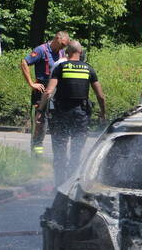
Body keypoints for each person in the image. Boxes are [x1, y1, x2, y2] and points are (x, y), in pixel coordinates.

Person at [39, 41, 106, 185]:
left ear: (67, 53)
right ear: (80, 53)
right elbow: (100, 96)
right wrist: (103, 113)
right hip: (80, 115)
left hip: (60, 114)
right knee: (76, 152)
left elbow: (49, 91)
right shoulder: (89, 69)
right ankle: (71, 183)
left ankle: (58, 185)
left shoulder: (60, 67)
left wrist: (40, 110)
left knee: (60, 151)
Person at [21, 31, 69, 154]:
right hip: (41, 91)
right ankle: (36, 156)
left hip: (55, 93)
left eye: (65, 46)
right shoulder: (41, 50)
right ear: (57, 39)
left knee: (55, 122)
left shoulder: (62, 52)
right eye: (62, 44)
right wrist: (31, 83)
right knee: (39, 123)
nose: (64, 48)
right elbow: (24, 62)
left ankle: (55, 155)